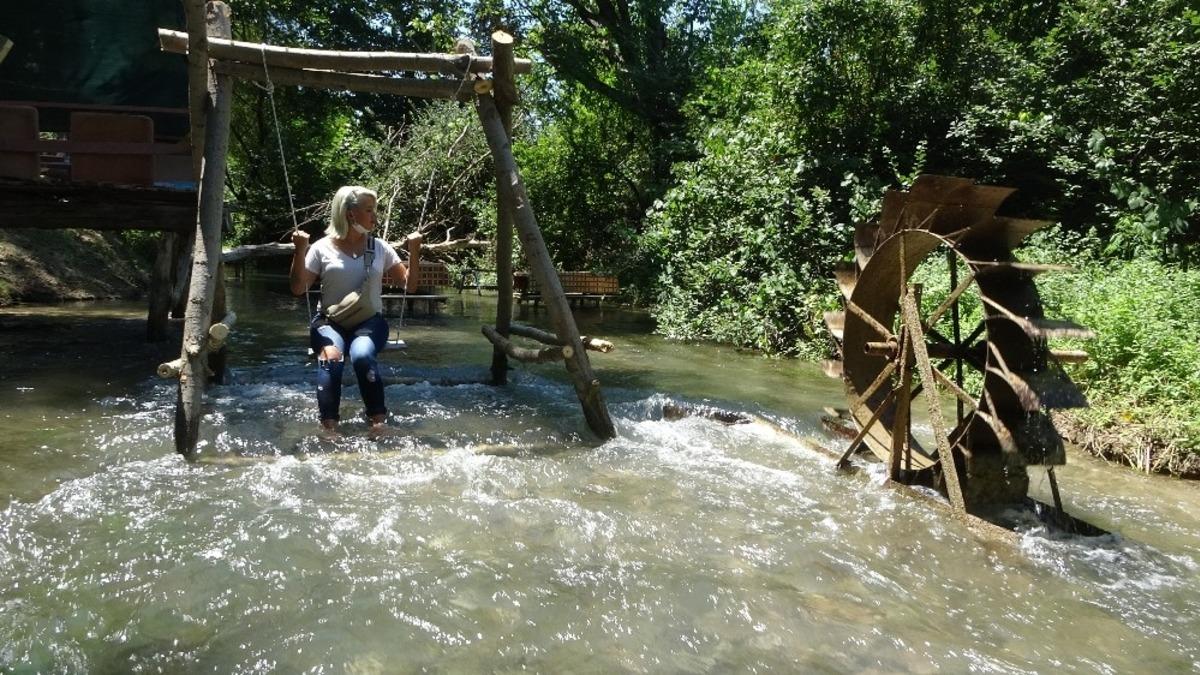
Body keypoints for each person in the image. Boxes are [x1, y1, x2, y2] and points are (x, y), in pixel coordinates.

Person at [289, 185, 421, 433]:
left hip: (369, 322)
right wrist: (299, 250)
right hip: (329, 322)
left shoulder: (379, 247)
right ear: (350, 214)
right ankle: (329, 427)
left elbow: (409, 286)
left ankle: (378, 422)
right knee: (332, 357)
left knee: (361, 356)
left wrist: (414, 251)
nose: (375, 217)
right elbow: (298, 289)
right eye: (369, 210)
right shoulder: (321, 248)